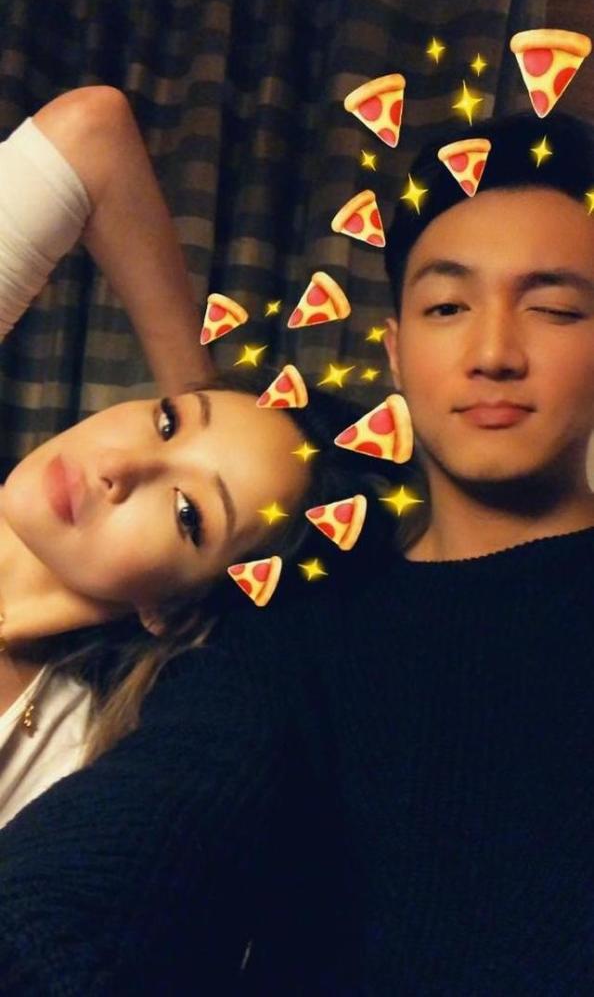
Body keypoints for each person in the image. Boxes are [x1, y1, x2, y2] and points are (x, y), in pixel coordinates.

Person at [1, 106, 593, 995]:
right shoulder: (293, 638)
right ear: (396, 353)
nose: (493, 351)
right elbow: (92, 877)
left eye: (554, 309)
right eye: (446, 307)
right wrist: (206, 413)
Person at [0, 91, 401, 827]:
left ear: (176, 610)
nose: (119, 468)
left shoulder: (71, 770)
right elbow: (91, 133)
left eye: (189, 514)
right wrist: (198, 389)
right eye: (165, 422)